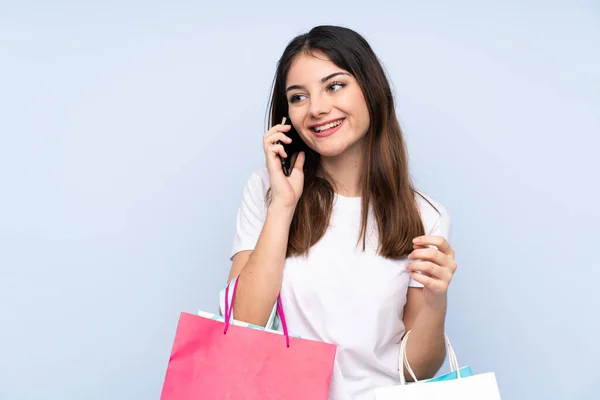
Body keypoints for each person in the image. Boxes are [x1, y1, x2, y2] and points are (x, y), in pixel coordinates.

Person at [221, 25, 458, 400]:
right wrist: (283, 206)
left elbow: (415, 372)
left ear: (370, 89)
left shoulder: (425, 215)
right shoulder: (267, 191)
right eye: (298, 97)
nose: (316, 108)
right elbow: (241, 327)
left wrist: (435, 298)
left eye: (334, 86)